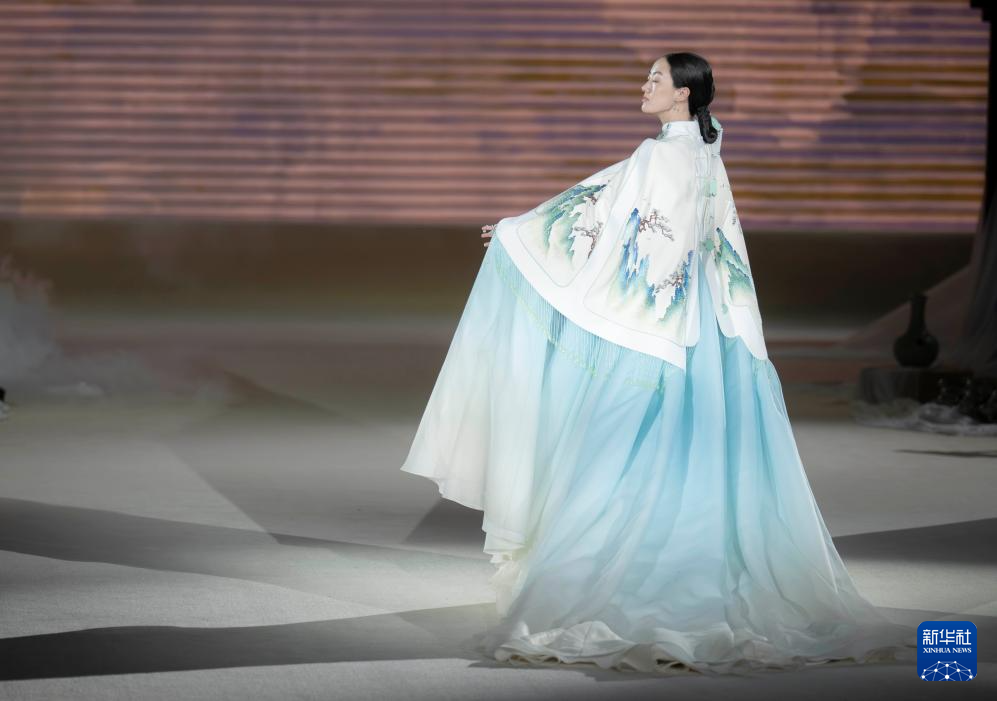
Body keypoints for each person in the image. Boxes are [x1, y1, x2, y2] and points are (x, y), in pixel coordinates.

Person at [400, 51, 918, 676]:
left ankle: (621, 588)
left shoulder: (662, 156)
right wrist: (525, 225)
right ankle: (702, 573)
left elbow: (603, 213)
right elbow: (620, 204)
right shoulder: (707, 156)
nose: (644, 85)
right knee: (700, 459)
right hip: (709, 339)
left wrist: (518, 233)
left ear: (682, 94)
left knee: (623, 455)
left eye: (656, 78)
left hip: (658, 333)